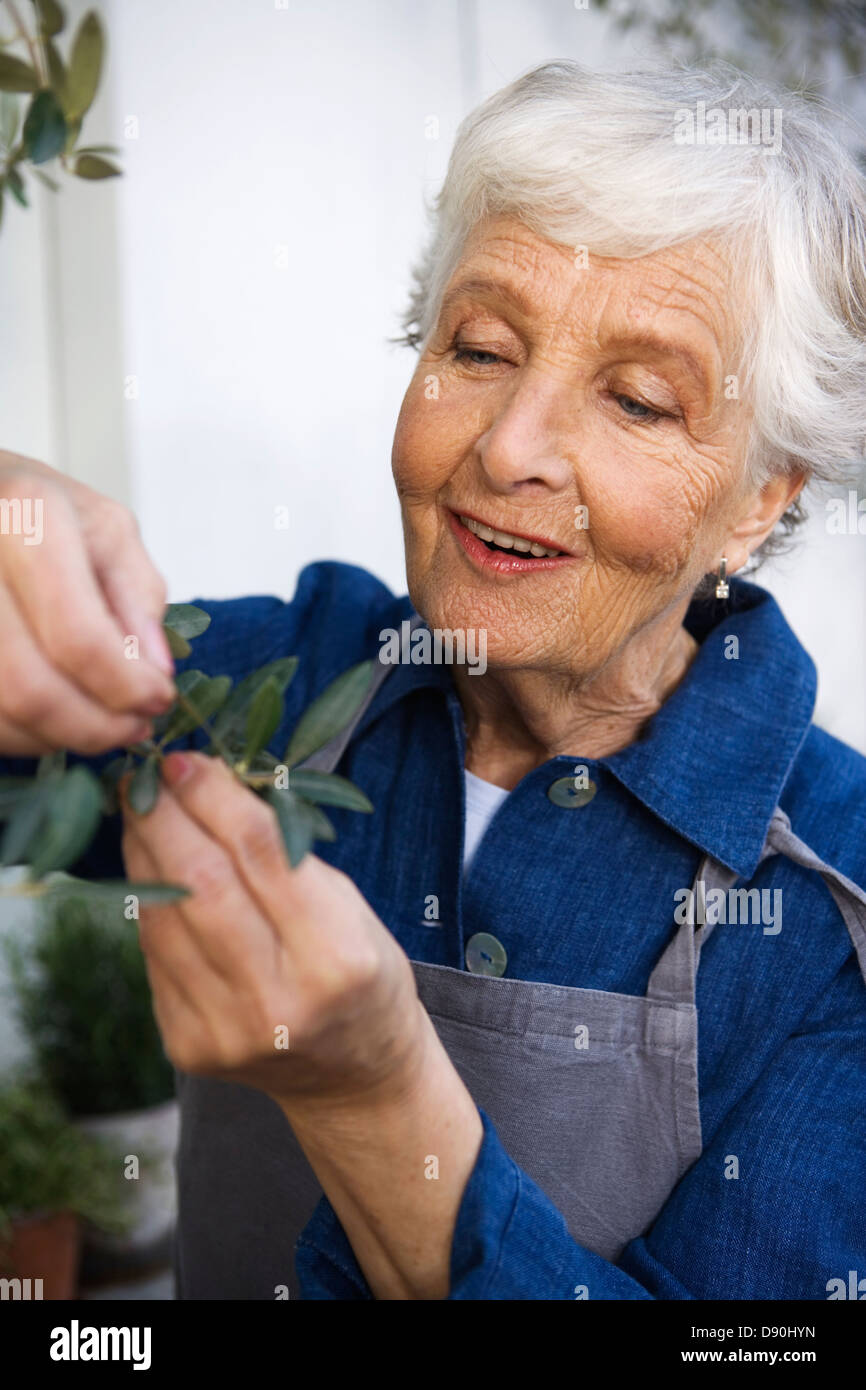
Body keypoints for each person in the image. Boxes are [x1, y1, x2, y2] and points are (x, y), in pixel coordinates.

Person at [1, 59, 864, 1300]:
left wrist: (371, 1092)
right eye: (478, 347)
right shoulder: (295, 682)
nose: (508, 446)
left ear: (762, 499)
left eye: (632, 399)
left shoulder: (832, 903)